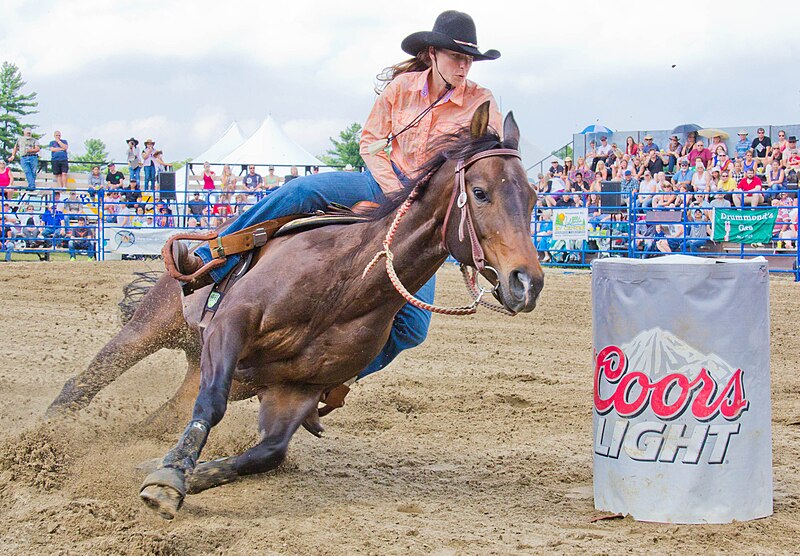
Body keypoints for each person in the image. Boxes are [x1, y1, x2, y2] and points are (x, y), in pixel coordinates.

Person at [173, 10, 502, 388]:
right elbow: (371, 143)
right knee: (300, 190)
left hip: (427, 210)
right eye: (456, 57)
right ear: (432, 54)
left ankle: (328, 380)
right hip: (382, 182)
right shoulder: (402, 89)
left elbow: (484, 162)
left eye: (469, 59)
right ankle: (211, 256)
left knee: (413, 328)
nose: (464, 66)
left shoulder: (481, 101)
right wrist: (395, 188)